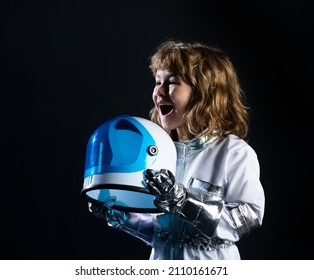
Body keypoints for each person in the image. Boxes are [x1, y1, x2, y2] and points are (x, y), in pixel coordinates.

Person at [88, 39, 265, 260]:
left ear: (204, 92)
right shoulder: (160, 151)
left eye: (171, 82)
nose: (158, 92)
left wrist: (183, 200)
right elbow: (163, 233)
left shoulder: (234, 152)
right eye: (157, 81)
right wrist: (122, 216)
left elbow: (247, 218)